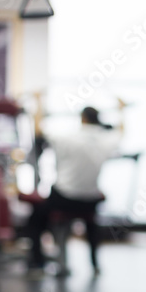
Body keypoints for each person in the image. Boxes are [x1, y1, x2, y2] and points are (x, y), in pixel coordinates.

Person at [26, 105, 122, 276]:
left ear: (82, 118)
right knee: (91, 220)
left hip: (64, 197)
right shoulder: (107, 139)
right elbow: (122, 130)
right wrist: (121, 109)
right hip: (90, 201)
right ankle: (94, 264)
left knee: (35, 220)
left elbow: (38, 129)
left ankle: (37, 263)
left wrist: (38, 103)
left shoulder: (67, 137)